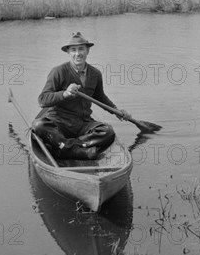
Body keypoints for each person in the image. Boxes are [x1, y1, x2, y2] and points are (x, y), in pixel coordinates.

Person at [32, 32, 129, 160]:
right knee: (38, 125)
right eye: (73, 50)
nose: (78, 53)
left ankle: (65, 148)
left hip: (82, 124)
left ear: (87, 51)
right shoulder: (58, 72)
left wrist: (116, 111)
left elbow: (100, 97)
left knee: (108, 132)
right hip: (59, 123)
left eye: (81, 49)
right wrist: (65, 94)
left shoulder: (95, 74)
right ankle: (78, 149)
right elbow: (42, 100)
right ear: (68, 52)